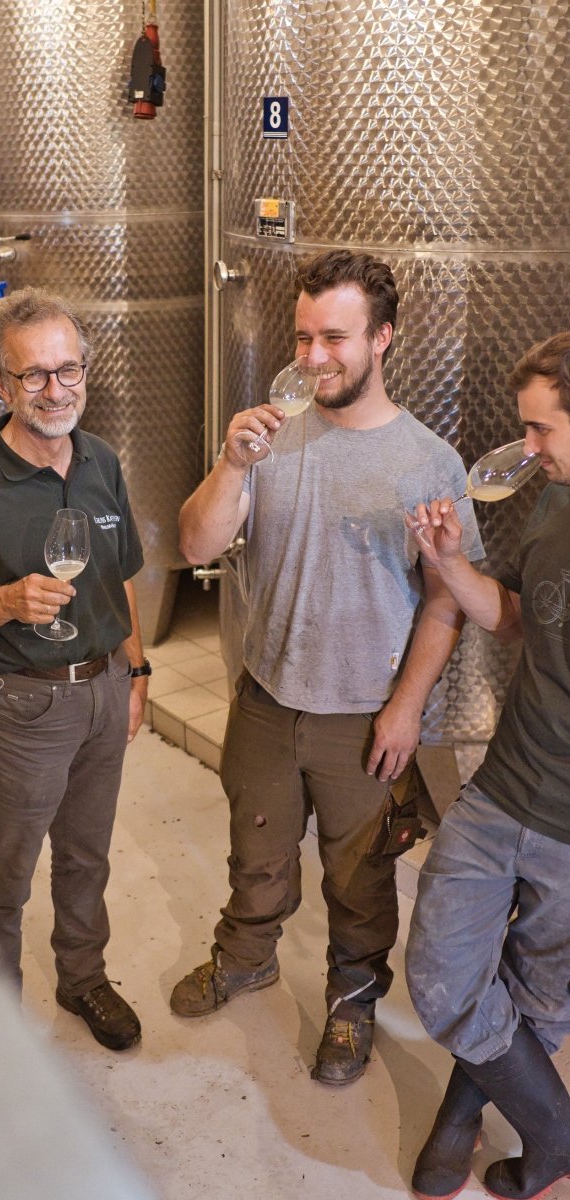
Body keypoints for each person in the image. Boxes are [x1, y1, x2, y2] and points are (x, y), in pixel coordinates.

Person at [170, 248, 484, 1086]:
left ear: (384, 338)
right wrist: (231, 463)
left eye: (335, 339)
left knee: (361, 875)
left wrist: (407, 708)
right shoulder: (269, 439)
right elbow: (194, 543)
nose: (314, 358)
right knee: (256, 851)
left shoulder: (429, 462)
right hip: (268, 698)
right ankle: (247, 957)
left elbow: (446, 602)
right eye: (304, 337)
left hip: (364, 712)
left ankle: (352, 1000)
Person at [0, 287, 150, 1052]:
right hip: (23, 705)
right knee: (5, 875)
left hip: (105, 690)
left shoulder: (103, 460)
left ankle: (83, 979)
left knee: (87, 855)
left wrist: (135, 675)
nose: (56, 390)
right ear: (2, 385)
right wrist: (3, 603)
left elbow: (125, 578)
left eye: (67, 369)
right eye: (34, 375)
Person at [404, 332, 570, 1200]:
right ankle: (557, 1132)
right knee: (439, 971)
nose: (529, 450)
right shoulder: (553, 500)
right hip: (507, 782)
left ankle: (459, 1121)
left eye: (541, 430)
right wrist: (449, 566)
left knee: (540, 996)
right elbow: (512, 619)